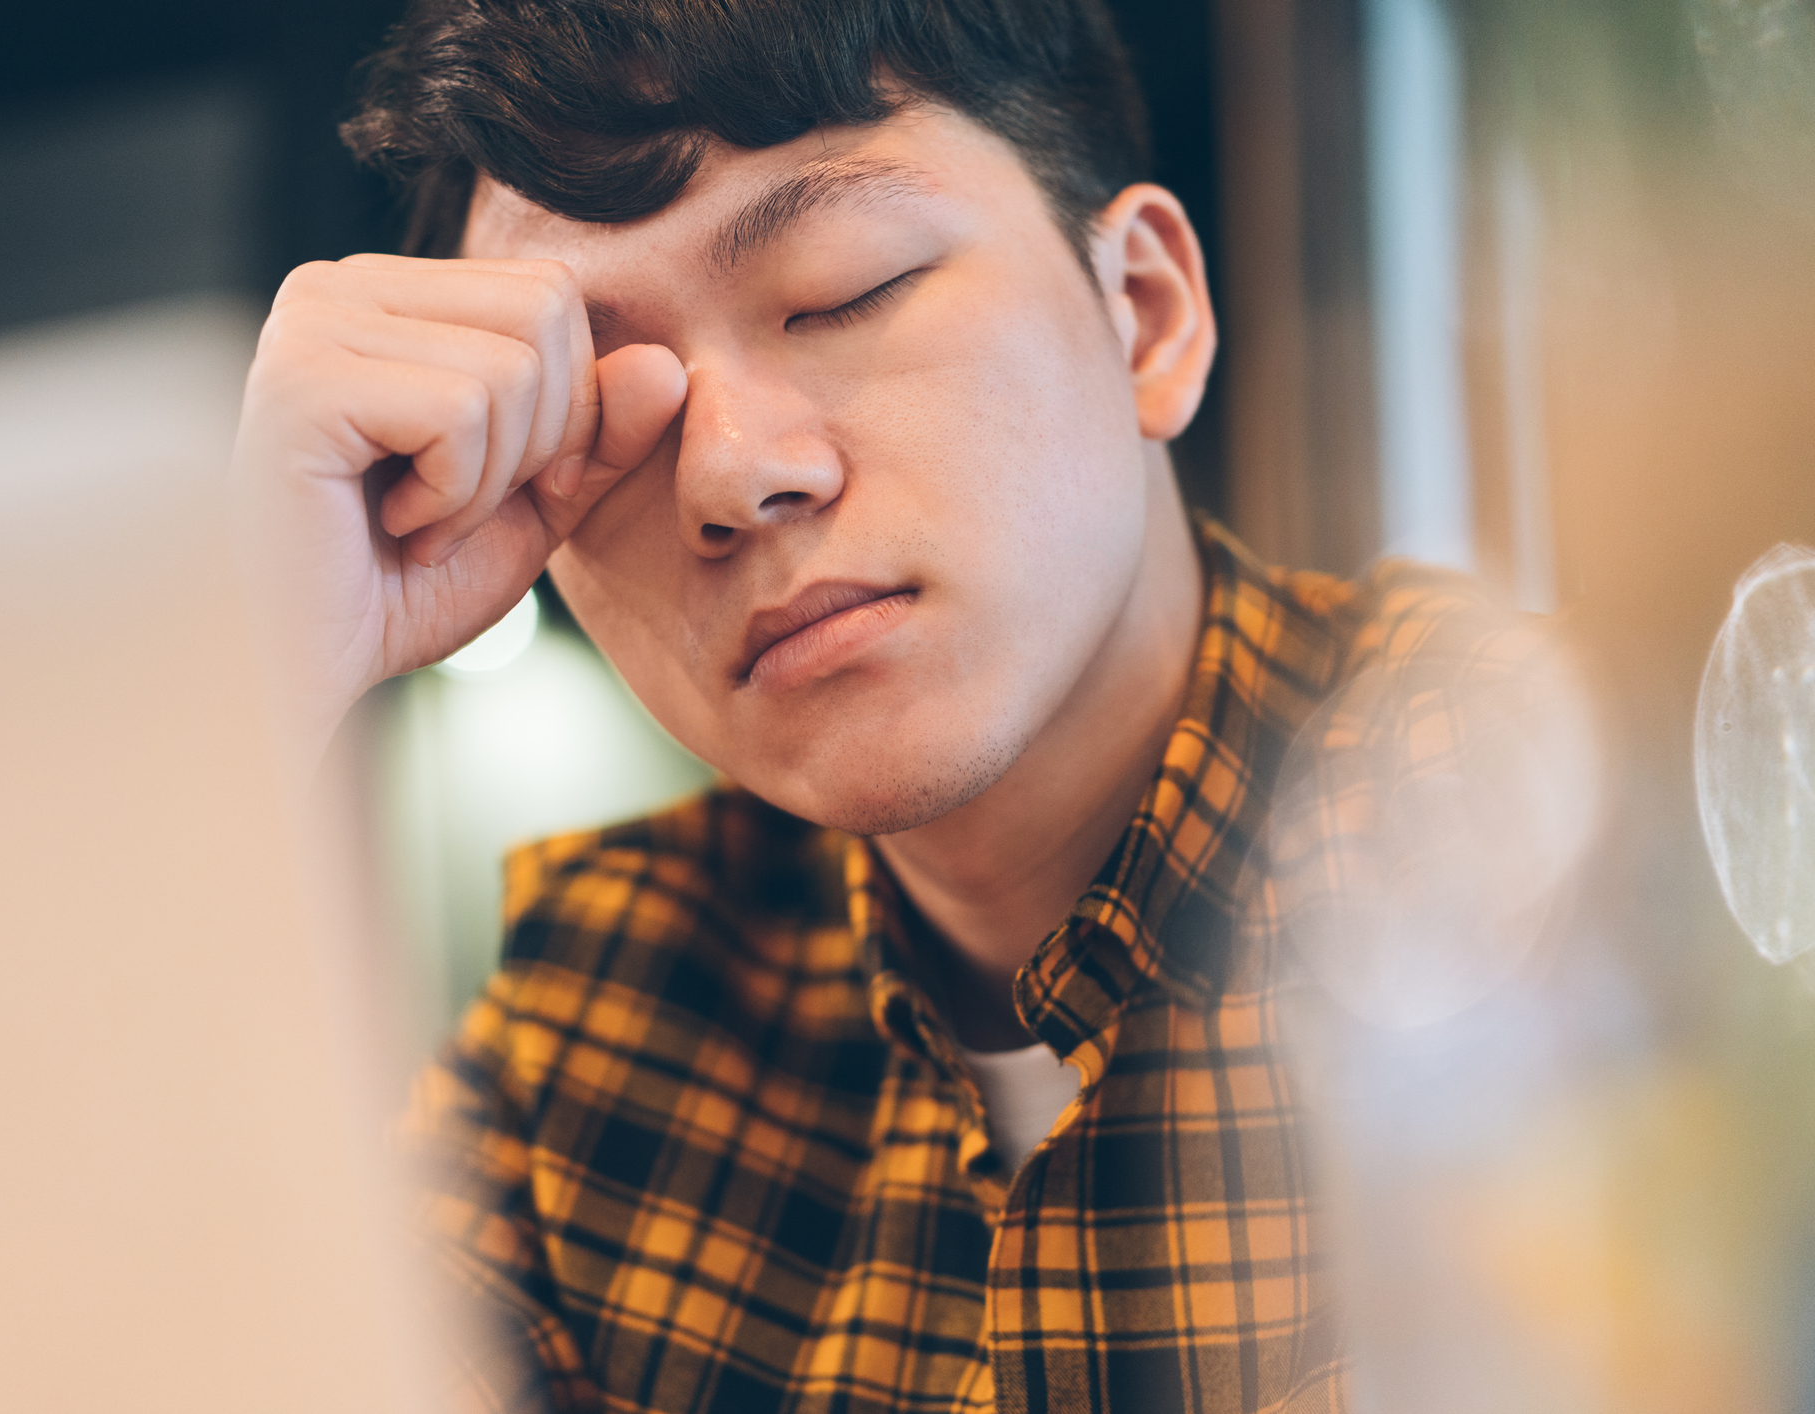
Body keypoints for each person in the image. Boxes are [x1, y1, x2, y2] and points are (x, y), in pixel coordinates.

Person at [228, 0, 1476, 1407]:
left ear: (1144, 312)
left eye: (842, 295)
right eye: (602, 411)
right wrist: (254, 671)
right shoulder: (597, 1033)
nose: (729, 474)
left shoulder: (1541, 807)